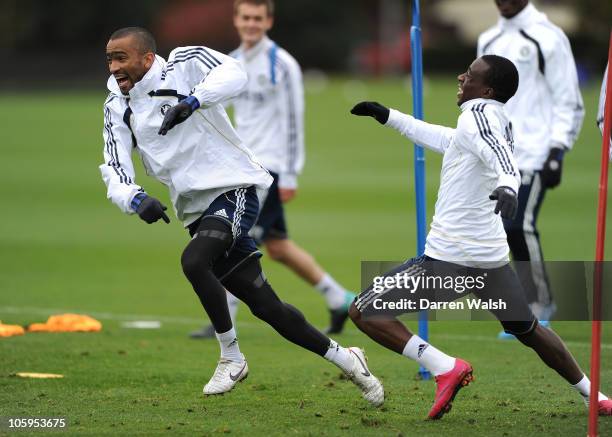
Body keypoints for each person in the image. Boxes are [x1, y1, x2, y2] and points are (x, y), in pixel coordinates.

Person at [100, 26, 383, 405]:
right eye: (109, 59)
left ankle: (231, 357)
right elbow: (115, 166)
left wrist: (194, 101)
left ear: (147, 58)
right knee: (267, 306)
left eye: (121, 58)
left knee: (194, 261)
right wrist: (135, 200)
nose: (114, 66)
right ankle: (347, 359)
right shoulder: (116, 106)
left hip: (233, 187)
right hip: (194, 208)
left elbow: (234, 72)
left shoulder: (184, 64)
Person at [348, 55, 611, 419]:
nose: (461, 76)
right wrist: (389, 116)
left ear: (485, 89)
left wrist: (508, 187)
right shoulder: (490, 118)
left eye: (469, 75)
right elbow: (448, 140)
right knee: (527, 329)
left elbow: (505, 161)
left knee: (364, 310)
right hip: (489, 260)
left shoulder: (478, 115)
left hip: (451, 258)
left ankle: (445, 367)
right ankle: (594, 395)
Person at [190, 0, 355, 339]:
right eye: (245, 17)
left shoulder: (283, 64)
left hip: (269, 169)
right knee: (277, 246)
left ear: (269, 21)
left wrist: (290, 174)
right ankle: (339, 299)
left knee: (233, 235)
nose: (251, 24)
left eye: (257, 18)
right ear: (236, 20)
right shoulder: (230, 63)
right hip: (241, 165)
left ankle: (227, 318)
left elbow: (294, 122)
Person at [477, 1, 584, 337]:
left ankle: (539, 304)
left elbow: (568, 99)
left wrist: (558, 149)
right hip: (498, 153)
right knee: (496, 231)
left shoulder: (548, 37)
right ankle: (519, 306)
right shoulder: (488, 39)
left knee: (517, 224)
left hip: (536, 151)